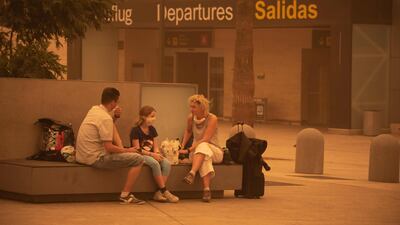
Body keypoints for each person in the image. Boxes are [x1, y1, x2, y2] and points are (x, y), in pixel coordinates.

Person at [76, 87, 145, 205]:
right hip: (95, 158)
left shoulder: (94, 110)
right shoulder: (105, 118)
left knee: (112, 127)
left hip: (82, 155)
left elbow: (107, 127)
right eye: (117, 102)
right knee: (138, 159)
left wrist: (115, 118)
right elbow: (109, 147)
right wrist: (127, 150)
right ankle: (125, 195)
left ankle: (125, 150)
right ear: (113, 102)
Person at [130, 106, 179, 203]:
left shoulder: (152, 129)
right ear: (144, 117)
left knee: (166, 163)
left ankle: (158, 193)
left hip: (152, 154)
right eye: (151, 116)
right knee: (155, 164)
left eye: (154, 116)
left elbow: (155, 146)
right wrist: (152, 155)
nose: (154, 118)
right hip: (140, 155)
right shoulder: (135, 130)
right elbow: (137, 149)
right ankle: (165, 191)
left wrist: (157, 153)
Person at [180, 94, 223, 202]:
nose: (191, 109)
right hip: (199, 152)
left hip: (214, 151)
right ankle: (206, 190)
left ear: (202, 107)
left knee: (203, 146)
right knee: (205, 158)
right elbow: (188, 131)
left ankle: (192, 172)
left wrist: (189, 150)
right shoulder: (190, 117)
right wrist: (182, 145)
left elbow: (206, 139)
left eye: (194, 107)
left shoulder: (212, 118)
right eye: (190, 106)